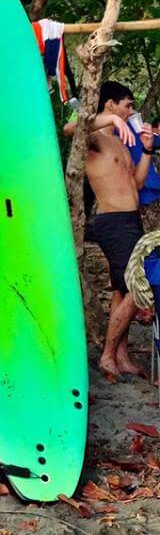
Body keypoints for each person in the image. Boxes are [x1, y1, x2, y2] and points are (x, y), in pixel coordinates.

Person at [64, 81, 155, 378]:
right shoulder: (94, 140)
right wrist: (113, 120)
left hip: (131, 220)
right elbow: (70, 129)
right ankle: (106, 356)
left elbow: (137, 184)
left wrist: (146, 150)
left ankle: (121, 355)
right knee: (135, 286)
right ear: (110, 105)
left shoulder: (119, 141)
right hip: (112, 222)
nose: (131, 111)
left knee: (121, 288)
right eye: (127, 105)